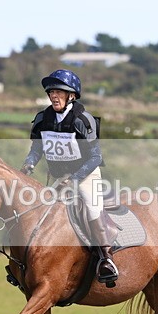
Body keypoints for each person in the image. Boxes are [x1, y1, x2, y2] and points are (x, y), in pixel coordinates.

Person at [21, 69, 119, 286]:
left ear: (71, 95)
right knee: (34, 208)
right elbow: (37, 149)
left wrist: (75, 178)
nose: (53, 96)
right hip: (58, 176)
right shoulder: (42, 119)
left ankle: (106, 259)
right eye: (51, 92)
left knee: (91, 208)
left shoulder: (83, 120)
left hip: (85, 174)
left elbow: (95, 157)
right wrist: (29, 164)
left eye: (59, 91)